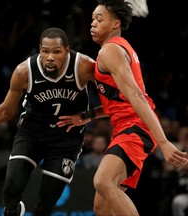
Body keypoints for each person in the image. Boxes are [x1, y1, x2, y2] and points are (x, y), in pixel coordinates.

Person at [0, 27, 104, 215]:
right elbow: (5, 111)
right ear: (40, 50)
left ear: (66, 50)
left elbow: (117, 99)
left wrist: (88, 116)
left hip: (66, 140)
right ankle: (13, 211)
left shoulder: (84, 66)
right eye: (45, 51)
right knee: (11, 189)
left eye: (56, 51)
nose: (50, 57)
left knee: (44, 207)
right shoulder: (24, 71)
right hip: (32, 132)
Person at [56, 0, 188, 215]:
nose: (92, 24)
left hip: (135, 127)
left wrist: (164, 142)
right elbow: (118, 102)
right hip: (128, 127)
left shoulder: (111, 51)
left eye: (99, 19)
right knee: (101, 206)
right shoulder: (116, 50)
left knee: (103, 181)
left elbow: (137, 96)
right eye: (92, 19)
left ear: (116, 23)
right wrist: (88, 115)